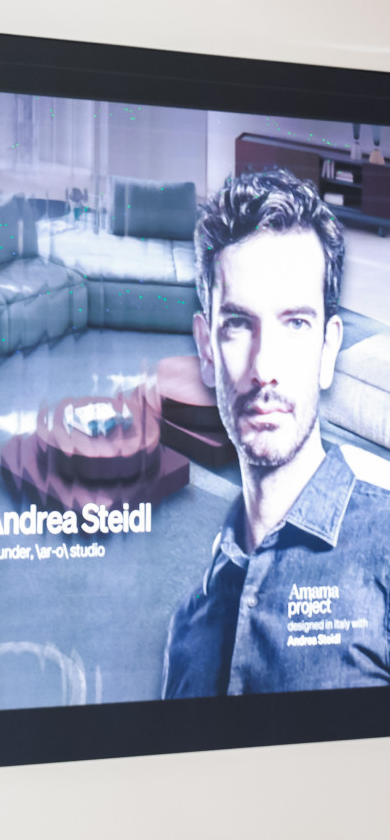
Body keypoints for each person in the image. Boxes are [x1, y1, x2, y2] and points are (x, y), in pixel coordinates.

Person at [162, 169, 389, 698]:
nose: (264, 368)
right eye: (238, 324)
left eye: (296, 323)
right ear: (207, 350)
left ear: (329, 349)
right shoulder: (188, 628)